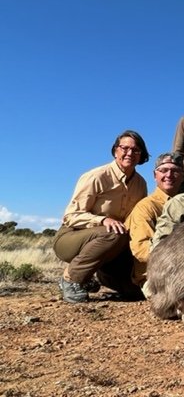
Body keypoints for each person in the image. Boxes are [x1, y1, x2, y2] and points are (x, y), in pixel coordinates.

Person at [53, 130, 149, 303]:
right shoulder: (97, 176)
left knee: (136, 292)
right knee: (114, 232)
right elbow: (70, 216)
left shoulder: (141, 183)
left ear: (141, 154)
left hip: (113, 245)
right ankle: (71, 278)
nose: (130, 153)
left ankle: (95, 278)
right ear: (115, 151)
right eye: (124, 148)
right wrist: (103, 220)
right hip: (71, 237)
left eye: (136, 150)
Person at [125, 152, 184, 289]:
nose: (169, 175)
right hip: (152, 276)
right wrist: (180, 259)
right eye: (163, 170)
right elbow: (141, 250)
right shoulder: (146, 207)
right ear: (155, 176)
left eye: (175, 171)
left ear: (183, 176)